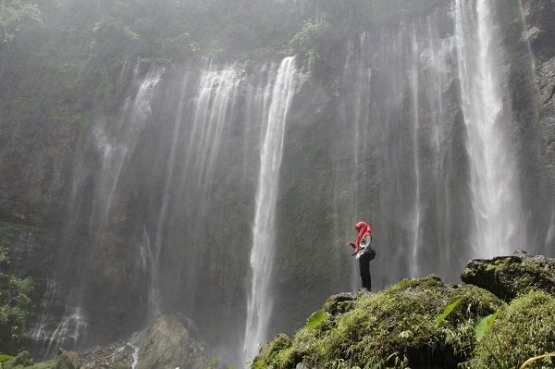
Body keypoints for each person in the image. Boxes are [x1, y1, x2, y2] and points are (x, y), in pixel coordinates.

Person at [347, 221, 373, 291]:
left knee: (365, 271)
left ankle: (367, 288)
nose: (358, 230)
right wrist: (354, 245)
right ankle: (364, 287)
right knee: (362, 272)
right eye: (357, 229)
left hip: (365, 255)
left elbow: (367, 245)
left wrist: (363, 251)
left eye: (358, 228)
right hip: (361, 255)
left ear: (362, 227)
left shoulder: (367, 235)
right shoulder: (361, 237)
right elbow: (360, 246)